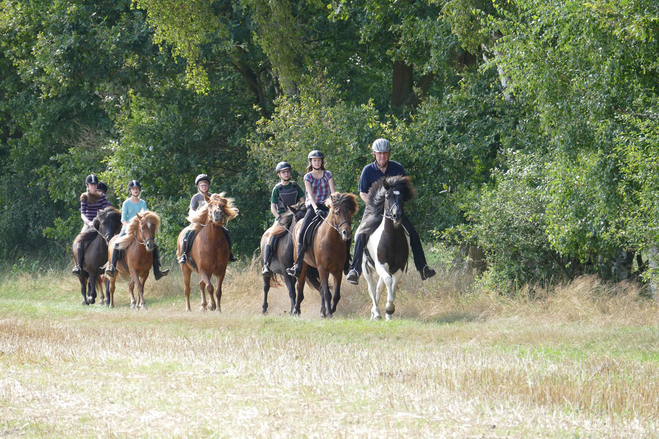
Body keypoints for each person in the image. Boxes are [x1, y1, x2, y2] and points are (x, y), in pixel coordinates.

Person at [345, 138, 436, 284]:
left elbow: (404, 189)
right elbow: (362, 192)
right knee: (360, 233)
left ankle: (423, 267)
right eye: (379, 153)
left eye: (385, 153)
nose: (382, 156)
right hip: (374, 210)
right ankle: (355, 270)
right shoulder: (368, 170)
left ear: (389, 154)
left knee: (412, 232)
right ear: (374, 154)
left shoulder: (397, 168)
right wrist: (374, 205)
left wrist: (398, 203)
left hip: (394, 209)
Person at [105, 180, 169, 280]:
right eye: (133, 189)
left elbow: (145, 217)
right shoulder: (126, 203)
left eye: (137, 189)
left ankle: (157, 271)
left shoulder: (143, 203)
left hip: (140, 229)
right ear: (130, 191)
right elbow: (123, 219)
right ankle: (112, 266)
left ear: (139, 190)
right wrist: (129, 226)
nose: (135, 190)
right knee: (117, 244)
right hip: (127, 228)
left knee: (154, 246)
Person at [286, 150, 335, 278]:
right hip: (313, 208)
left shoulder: (328, 174)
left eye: (319, 160)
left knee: (342, 227)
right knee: (302, 232)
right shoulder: (307, 177)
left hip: (327, 206)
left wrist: (332, 204)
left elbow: (333, 193)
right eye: (314, 160)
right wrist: (315, 208)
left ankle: (346, 262)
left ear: (322, 162)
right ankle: (297, 265)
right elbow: (310, 196)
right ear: (311, 162)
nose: (317, 162)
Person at [178, 174, 237, 264]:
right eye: (202, 185)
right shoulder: (196, 197)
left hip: (212, 222)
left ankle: (230, 254)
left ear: (208, 186)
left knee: (226, 232)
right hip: (199, 223)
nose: (204, 187)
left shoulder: (213, 197)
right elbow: (192, 210)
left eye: (206, 185)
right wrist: (196, 217)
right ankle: (184, 254)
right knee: (188, 233)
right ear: (198, 186)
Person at [261, 161, 305, 276]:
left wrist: (299, 209)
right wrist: (278, 217)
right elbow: (273, 207)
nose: (286, 174)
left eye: (288, 172)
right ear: (279, 175)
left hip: (296, 215)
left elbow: (303, 201)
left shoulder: (295, 186)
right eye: (283, 172)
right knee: (271, 236)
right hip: (282, 217)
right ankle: (266, 264)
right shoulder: (277, 189)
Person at [72, 174, 113, 276]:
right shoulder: (84, 197)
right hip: (89, 223)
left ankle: (112, 264)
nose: (93, 187)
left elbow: (104, 210)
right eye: (91, 185)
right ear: (87, 185)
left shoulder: (102, 196)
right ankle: (78, 265)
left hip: (100, 223)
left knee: (111, 236)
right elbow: (82, 213)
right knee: (80, 240)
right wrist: (88, 222)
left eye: (95, 185)